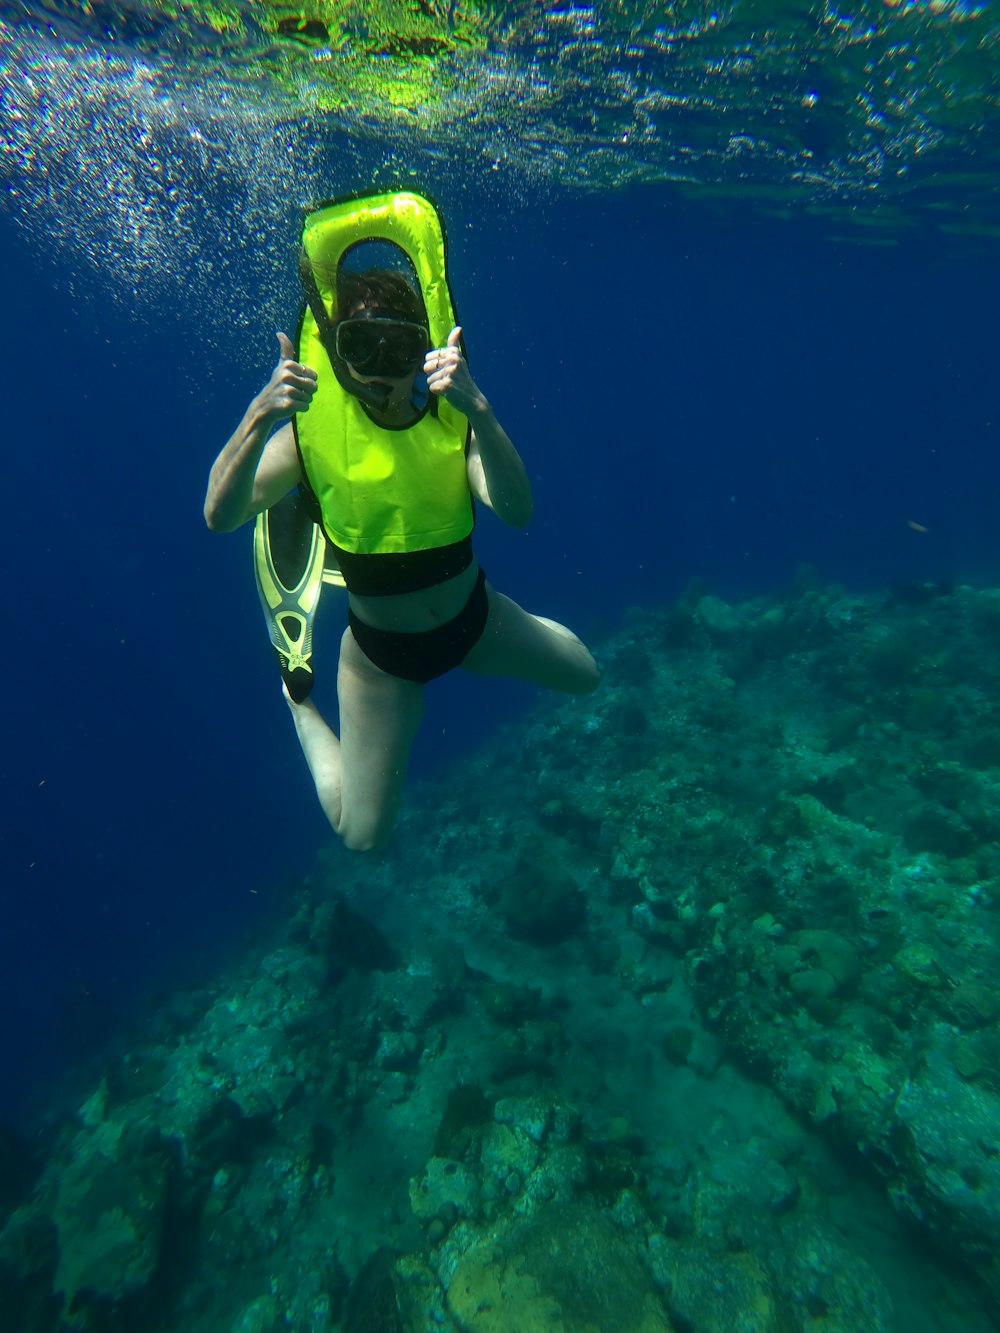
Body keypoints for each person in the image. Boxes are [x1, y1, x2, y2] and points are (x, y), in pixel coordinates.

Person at [204, 190, 600, 852]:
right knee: (361, 837)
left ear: (422, 350)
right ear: (334, 348)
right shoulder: (306, 439)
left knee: (588, 676)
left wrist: (482, 413)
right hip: (380, 662)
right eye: (363, 346)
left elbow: (518, 511)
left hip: (478, 621)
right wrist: (258, 417)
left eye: (400, 349)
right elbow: (220, 515)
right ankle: (297, 700)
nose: (384, 374)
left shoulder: (451, 422)